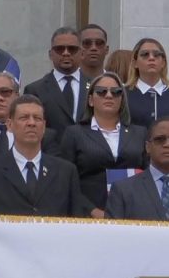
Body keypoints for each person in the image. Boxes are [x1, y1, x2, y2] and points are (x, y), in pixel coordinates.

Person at [0, 95, 83, 216]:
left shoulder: (66, 171)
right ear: (9, 125)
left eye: (37, 118)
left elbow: (76, 220)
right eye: (24, 118)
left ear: (44, 126)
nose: (31, 123)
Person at [55, 71, 145, 215]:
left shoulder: (140, 133)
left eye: (116, 92)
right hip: (88, 215)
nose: (109, 95)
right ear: (90, 100)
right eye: (101, 91)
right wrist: (91, 210)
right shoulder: (74, 133)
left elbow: (148, 176)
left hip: (132, 213)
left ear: (122, 99)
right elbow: (65, 181)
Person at [31, 27, 89, 133]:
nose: (66, 53)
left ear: (82, 54)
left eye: (72, 49)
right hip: (51, 148)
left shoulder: (95, 87)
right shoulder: (35, 90)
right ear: (50, 54)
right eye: (59, 49)